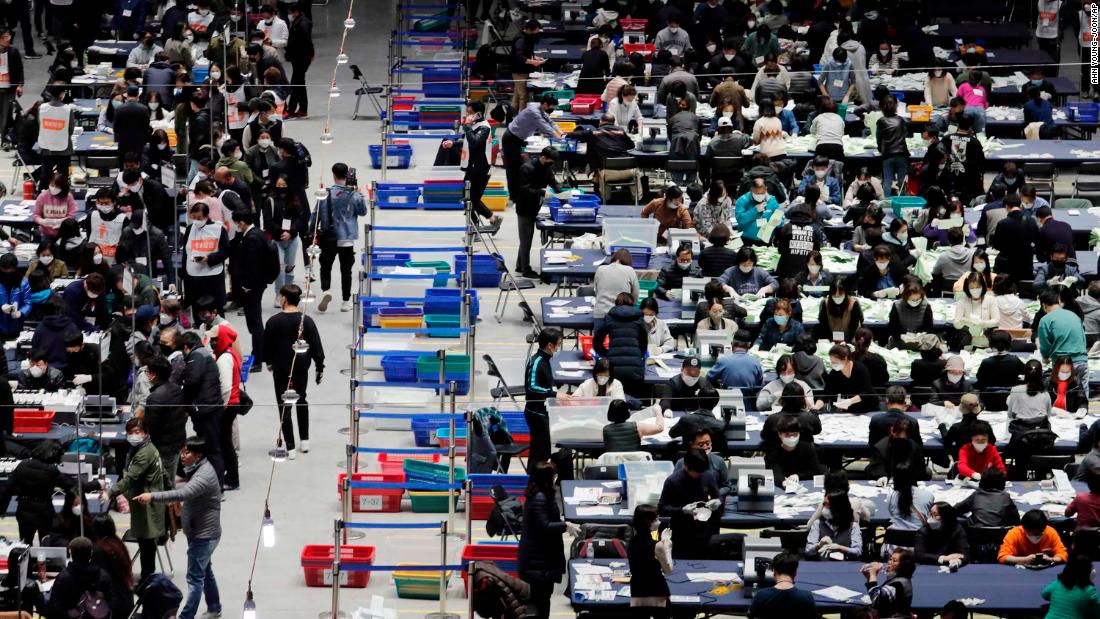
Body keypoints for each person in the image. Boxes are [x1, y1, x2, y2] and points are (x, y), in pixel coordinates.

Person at [134, 436, 222, 619]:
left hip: (204, 535)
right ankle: (214, 606)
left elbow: (182, 493)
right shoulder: (197, 468)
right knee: (205, 570)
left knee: (195, 579)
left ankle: (186, 617)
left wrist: (152, 496)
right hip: (200, 531)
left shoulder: (204, 476)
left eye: (187, 452)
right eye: (183, 451)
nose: (182, 456)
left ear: (198, 456)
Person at [263, 284, 323, 459]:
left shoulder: (273, 321)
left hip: (281, 368)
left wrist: (269, 362)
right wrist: (319, 367)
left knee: (284, 405)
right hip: (301, 368)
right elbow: (316, 347)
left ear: (284, 298)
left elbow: (266, 346)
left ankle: (290, 447)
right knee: (302, 399)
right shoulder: (307, 321)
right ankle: (305, 440)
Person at [103, 417, 166, 582]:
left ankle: (148, 581)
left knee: (147, 546)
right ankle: (147, 579)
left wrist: (110, 493)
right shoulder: (143, 448)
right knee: (146, 544)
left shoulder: (144, 454)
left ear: (145, 433)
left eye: (137, 432)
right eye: (130, 433)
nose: (133, 436)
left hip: (146, 505)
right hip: (145, 502)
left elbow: (129, 479)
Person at [517, 462, 577, 619]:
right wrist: (565, 526)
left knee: (542, 601)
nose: (555, 478)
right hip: (538, 563)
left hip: (541, 559)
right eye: (553, 475)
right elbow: (544, 525)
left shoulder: (541, 494)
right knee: (540, 601)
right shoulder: (540, 498)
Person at [0, 440, 70, 543]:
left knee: (25, 543)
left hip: (24, 510)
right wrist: (97, 484)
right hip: (44, 511)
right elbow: (70, 484)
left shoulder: (22, 465)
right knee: (46, 543)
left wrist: (2, 509)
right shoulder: (51, 471)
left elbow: (7, 489)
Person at [658, 448, 721, 560]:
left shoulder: (707, 476)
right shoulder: (673, 481)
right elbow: (662, 508)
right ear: (686, 466)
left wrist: (718, 501)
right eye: (696, 472)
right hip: (681, 533)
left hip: (703, 530)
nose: (699, 474)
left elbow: (717, 495)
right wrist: (682, 510)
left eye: (701, 471)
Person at [513, 146, 562, 278]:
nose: (551, 165)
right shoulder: (527, 168)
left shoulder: (546, 168)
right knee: (526, 240)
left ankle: (520, 265)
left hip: (535, 206)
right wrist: (541, 192)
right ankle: (526, 270)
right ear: (542, 157)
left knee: (525, 238)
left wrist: (563, 196)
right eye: (549, 162)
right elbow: (523, 190)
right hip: (524, 208)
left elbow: (553, 182)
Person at [501, 93, 560, 200]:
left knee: (519, 167)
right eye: (551, 108)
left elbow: (550, 122)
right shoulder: (534, 111)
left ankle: (519, 193)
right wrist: (560, 138)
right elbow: (547, 127)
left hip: (518, 139)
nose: (551, 110)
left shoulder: (540, 108)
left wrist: (563, 133)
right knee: (513, 169)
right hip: (511, 139)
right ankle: (514, 197)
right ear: (545, 104)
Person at [451, 101, 498, 225]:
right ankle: (480, 223)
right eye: (467, 113)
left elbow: (475, 142)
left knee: (472, 199)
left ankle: (486, 221)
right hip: (472, 168)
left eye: (470, 113)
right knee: (467, 197)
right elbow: (468, 142)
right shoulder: (475, 125)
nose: (468, 116)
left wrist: (466, 127)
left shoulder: (484, 127)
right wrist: (453, 143)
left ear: (478, 113)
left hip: (481, 169)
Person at [45, 536, 115, 619]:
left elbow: (54, 608)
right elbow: (112, 602)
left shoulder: (64, 577)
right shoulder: (103, 575)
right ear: (91, 554)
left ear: (71, 553)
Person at [524, 328, 566, 464]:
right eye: (558, 344)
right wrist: (554, 394)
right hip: (536, 413)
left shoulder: (545, 359)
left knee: (542, 450)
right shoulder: (537, 362)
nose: (558, 347)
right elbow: (532, 387)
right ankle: (534, 481)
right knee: (539, 452)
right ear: (549, 345)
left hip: (544, 411)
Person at [1038, 290, 1091, 398]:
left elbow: (1045, 347)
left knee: (1063, 400)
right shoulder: (1074, 315)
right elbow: (1082, 337)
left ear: (1044, 305)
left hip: (1062, 364)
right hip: (1082, 360)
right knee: (1083, 400)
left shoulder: (1045, 320)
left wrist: (1045, 358)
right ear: (1059, 302)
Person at [209, 323, 243, 491]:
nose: (212, 342)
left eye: (215, 339)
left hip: (228, 406)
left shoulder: (224, 359)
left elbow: (226, 388)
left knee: (225, 443)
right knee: (226, 442)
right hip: (232, 404)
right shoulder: (230, 353)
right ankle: (231, 477)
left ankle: (231, 479)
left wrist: (220, 409)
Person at [594, 293, 647, 396]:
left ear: (617, 302)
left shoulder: (610, 316)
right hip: (635, 367)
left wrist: (606, 354)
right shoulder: (638, 317)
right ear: (632, 302)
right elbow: (644, 342)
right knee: (634, 400)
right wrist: (638, 355)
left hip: (613, 367)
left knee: (615, 399)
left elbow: (597, 340)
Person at [182, 202, 230, 316]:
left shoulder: (218, 229)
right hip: (194, 275)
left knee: (215, 311)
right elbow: (186, 252)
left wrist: (209, 258)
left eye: (199, 217)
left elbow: (226, 251)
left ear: (207, 216)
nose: (196, 220)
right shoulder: (189, 229)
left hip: (213, 275)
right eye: (194, 217)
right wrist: (183, 273)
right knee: (198, 310)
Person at [142, 355, 187, 475]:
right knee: (170, 481)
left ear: (153, 375)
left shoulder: (154, 398)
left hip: (162, 448)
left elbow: (152, 428)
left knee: (162, 485)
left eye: (147, 372)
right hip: (176, 444)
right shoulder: (177, 389)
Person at [628, 504, 673, 614]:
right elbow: (668, 570)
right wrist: (667, 546)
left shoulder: (631, 543)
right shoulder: (657, 546)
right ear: (648, 522)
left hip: (637, 590)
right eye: (656, 519)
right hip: (656, 591)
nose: (659, 522)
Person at [707, 330, 764, 407]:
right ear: (749, 345)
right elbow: (759, 385)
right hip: (750, 406)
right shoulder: (756, 362)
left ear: (732, 344)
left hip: (726, 404)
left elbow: (708, 378)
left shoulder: (723, 361)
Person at [816, 343, 877, 414]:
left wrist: (849, 401)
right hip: (849, 411)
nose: (833, 365)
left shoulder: (860, 369)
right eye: (831, 362)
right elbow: (826, 393)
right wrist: (816, 407)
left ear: (845, 358)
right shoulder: (834, 373)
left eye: (835, 362)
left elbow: (866, 392)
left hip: (868, 408)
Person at [805, 491, 862, 560]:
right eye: (824, 504)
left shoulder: (853, 526)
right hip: (822, 566)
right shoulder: (817, 524)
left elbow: (858, 552)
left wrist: (840, 548)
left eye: (828, 505)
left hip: (844, 566)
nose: (825, 508)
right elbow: (808, 551)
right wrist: (819, 545)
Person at [765, 414, 824, 481]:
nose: (792, 437)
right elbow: (775, 472)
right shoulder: (774, 452)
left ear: (799, 434)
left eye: (795, 434)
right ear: (779, 434)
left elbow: (815, 471)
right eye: (787, 435)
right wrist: (783, 482)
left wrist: (798, 476)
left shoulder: (807, 448)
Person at [999, 509, 1069, 565]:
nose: (1035, 536)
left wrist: (1051, 559)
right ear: (1024, 528)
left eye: (1038, 533)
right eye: (1031, 533)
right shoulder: (1014, 533)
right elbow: (1003, 557)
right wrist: (1025, 560)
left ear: (1044, 528)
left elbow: (1063, 554)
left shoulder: (1050, 532)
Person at [37, 85, 76, 185]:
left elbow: (40, 126)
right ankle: (62, 197)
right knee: (63, 177)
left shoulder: (41, 108)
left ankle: (42, 195)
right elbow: (70, 130)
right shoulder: (68, 109)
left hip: (46, 148)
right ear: (61, 94)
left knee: (45, 176)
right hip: (63, 149)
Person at [954, 467, 1019, 527]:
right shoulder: (1006, 497)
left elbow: (956, 510)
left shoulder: (976, 495)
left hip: (974, 535)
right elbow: (1016, 520)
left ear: (981, 482)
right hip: (1000, 535)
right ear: (1003, 484)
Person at [593, 248, 640, 329]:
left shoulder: (600, 269)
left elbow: (597, 291)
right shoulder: (630, 270)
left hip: (600, 314)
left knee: (599, 341)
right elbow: (635, 295)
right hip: (622, 314)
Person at [863, 548, 916, 617]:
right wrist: (869, 578)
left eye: (894, 561)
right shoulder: (899, 578)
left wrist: (873, 575)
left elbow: (876, 600)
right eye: (890, 559)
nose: (889, 562)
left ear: (903, 565)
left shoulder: (898, 584)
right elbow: (878, 596)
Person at [915, 502, 969, 566]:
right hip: (929, 566)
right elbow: (919, 555)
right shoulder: (923, 531)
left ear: (946, 516)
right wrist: (943, 558)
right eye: (930, 514)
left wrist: (957, 561)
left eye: (936, 515)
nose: (931, 518)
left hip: (951, 565)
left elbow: (964, 555)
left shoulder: (957, 529)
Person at [510, 20, 545, 110]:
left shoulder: (528, 36)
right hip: (519, 71)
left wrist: (535, 57)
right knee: (523, 96)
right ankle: (522, 118)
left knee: (517, 94)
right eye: (536, 30)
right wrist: (533, 62)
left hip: (524, 69)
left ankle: (511, 116)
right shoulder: (521, 39)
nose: (538, 31)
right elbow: (519, 57)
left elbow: (527, 52)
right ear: (529, 29)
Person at [887, 462, 933, 530]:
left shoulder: (891, 496)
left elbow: (892, 514)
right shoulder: (928, 495)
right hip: (919, 537)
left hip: (895, 537)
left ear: (895, 479)